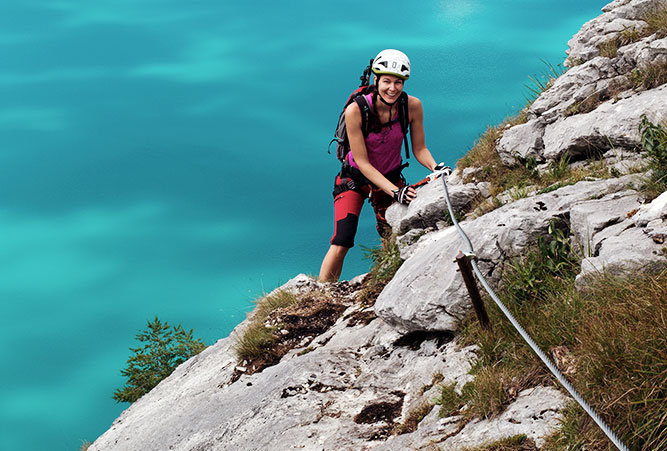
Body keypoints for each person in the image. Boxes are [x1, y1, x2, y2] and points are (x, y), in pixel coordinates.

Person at [319, 49, 444, 282]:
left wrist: (436, 168)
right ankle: (322, 294)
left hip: (391, 177)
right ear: (375, 80)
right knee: (342, 240)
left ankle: (388, 282)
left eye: (398, 82)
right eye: (386, 81)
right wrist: (397, 192)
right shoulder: (356, 110)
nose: (392, 88)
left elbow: (420, 149)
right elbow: (364, 164)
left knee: (393, 236)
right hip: (355, 179)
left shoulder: (412, 106)